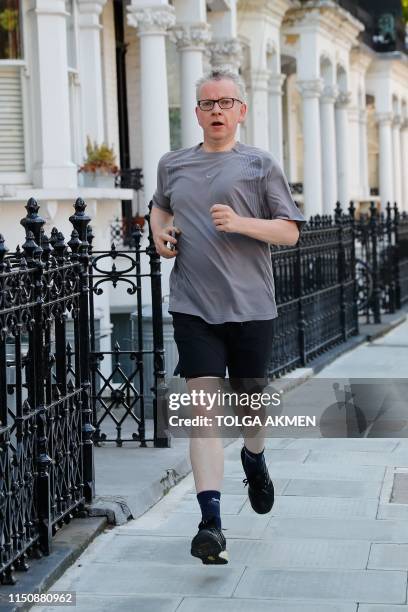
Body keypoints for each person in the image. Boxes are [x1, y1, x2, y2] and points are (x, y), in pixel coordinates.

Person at [150, 69, 306, 565]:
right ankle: (210, 523)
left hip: (251, 307)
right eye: (206, 103)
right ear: (195, 113)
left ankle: (254, 457)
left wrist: (241, 223)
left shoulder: (260, 165)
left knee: (249, 409)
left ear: (241, 110)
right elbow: (159, 207)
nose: (216, 111)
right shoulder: (172, 164)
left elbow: (290, 232)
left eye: (225, 102)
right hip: (193, 305)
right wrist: (159, 234)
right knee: (204, 413)